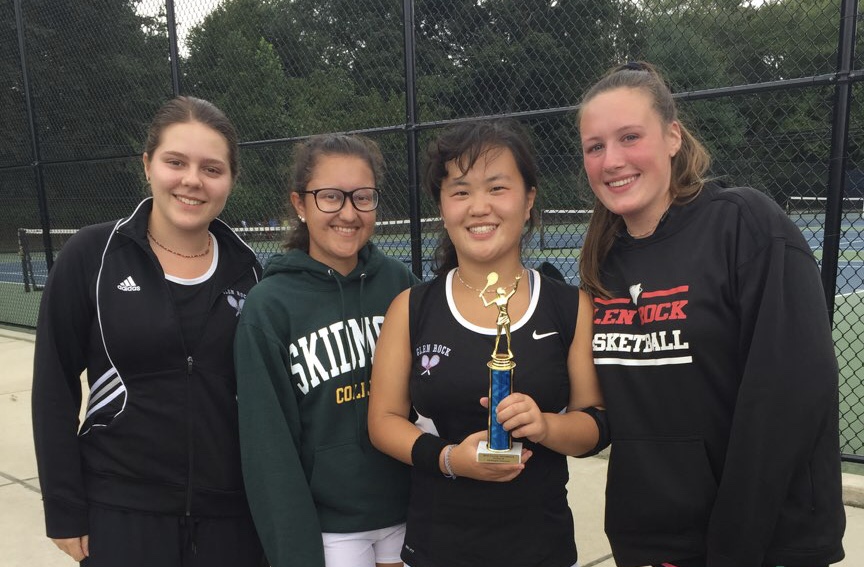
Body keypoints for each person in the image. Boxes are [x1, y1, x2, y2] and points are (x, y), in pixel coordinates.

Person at [577, 61, 846, 567]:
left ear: (673, 137)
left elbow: (787, 397)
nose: (612, 160)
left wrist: (733, 548)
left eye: (630, 137)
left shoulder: (744, 223)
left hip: (764, 543)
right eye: (595, 146)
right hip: (649, 541)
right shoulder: (601, 263)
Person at [31, 96, 265, 566]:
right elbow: (53, 386)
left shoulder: (251, 272)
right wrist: (64, 507)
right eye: (175, 162)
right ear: (147, 165)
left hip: (230, 518)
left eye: (212, 168)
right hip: (120, 512)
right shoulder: (92, 255)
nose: (192, 180)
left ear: (231, 180)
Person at [367, 119, 609, 567]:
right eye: (460, 191)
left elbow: (595, 423)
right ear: (442, 204)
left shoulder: (570, 306)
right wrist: (449, 460)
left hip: (541, 546)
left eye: (497, 188)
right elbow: (382, 421)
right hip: (438, 546)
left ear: (529, 198)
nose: (479, 207)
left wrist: (545, 427)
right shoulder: (411, 307)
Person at [234, 134, 419, 567]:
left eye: (363, 197)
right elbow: (269, 448)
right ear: (300, 204)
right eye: (330, 197)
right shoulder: (269, 306)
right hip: (330, 530)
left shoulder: (399, 284)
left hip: (408, 510)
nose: (349, 213)